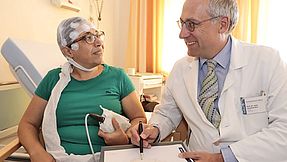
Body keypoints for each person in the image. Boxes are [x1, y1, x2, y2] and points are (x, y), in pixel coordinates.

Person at [130, 0, 287, 162]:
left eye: (191, 24)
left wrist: (222, 158)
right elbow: (167, 113)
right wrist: (154, 129)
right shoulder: (180, 69)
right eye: (182, 23)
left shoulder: (268, 62)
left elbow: (283, 130)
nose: (182, 34)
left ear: (223, 25)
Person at [18, 17, 146, 162]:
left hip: (111, 157)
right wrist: (37, 152)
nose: (99, 43)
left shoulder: (118, 77)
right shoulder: (53, 80)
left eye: (98, 36)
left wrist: (126, 137)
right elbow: (27, 124)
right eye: (88, 38)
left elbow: (139, 118)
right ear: (69, 51)